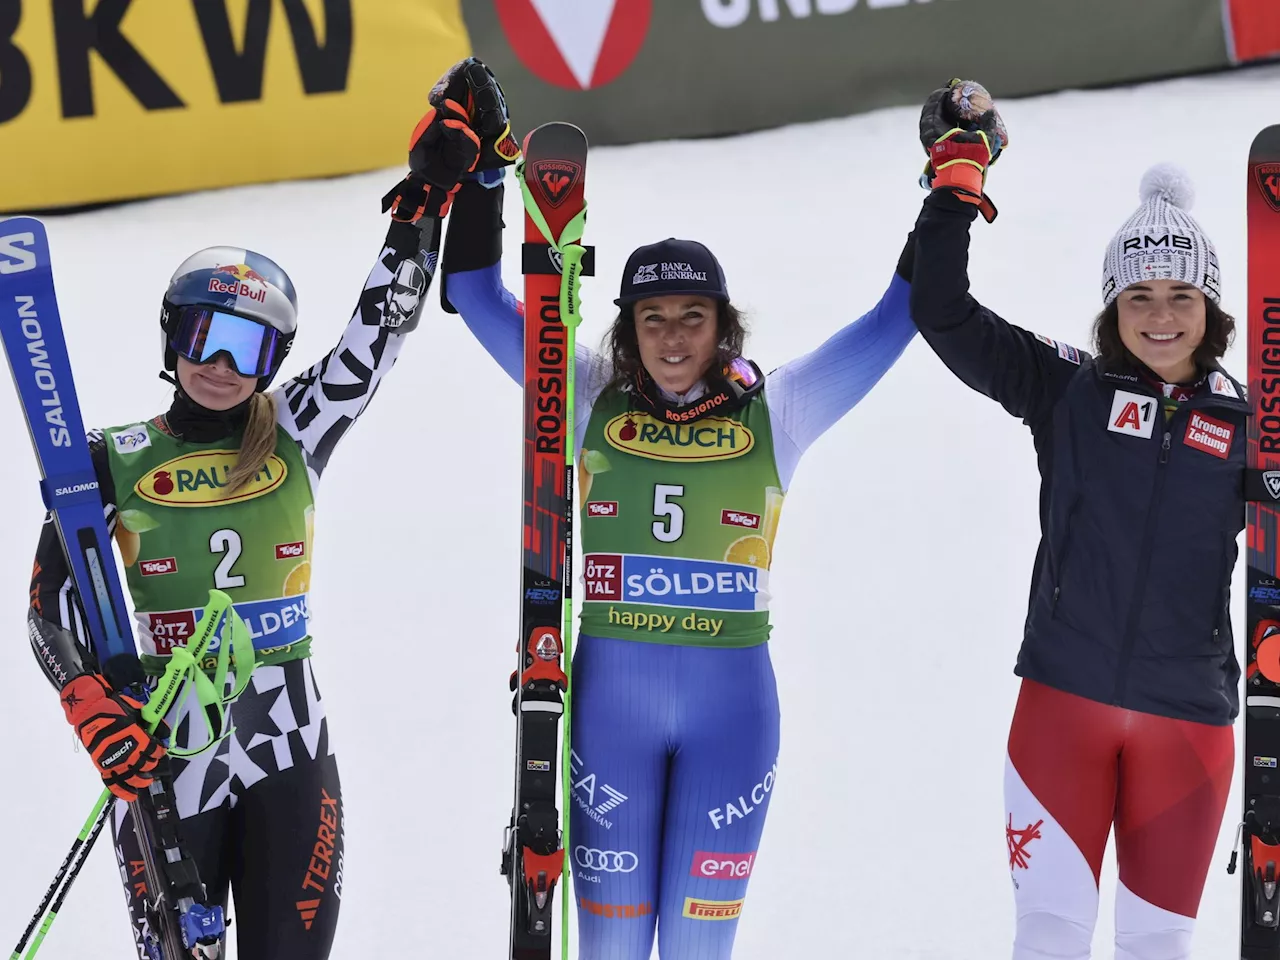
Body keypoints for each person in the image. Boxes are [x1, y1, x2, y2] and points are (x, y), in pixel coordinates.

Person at [25, 57, 512, 960]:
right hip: (168, 756)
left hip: (291, 745)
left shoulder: (296, 427)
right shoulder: (111, 459)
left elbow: (384, 327)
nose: (220, 361)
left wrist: (424, 202)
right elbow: (47, 607)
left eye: (246, 344)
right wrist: (90, 703)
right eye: (200, 334)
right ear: (172, 340)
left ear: (273, 356)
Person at [436, 81, 918, 960]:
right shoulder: (577, 393)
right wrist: (483, 174)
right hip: (609, 710)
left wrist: (950, 189)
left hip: (730, 716)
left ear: (723, 326)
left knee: (700, 954)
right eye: (652, 320)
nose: (670, 339)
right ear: (627, 331)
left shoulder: (782, 407)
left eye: (692, 319)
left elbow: (897, 318)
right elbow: (473, 292)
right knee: (609, 953)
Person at [909, 80, 1242, 960]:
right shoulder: (1068, 391)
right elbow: (941, 313)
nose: (1160, 317)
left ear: (1211, 309)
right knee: (1048, 943)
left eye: (1180, 296)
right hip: (1062, 711)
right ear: (1110, 308)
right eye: (1139, 297)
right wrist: (955, 189)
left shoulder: (1254, 429)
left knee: (1156, 950)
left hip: (1189, 726)